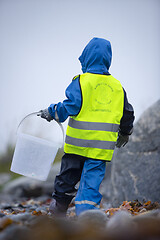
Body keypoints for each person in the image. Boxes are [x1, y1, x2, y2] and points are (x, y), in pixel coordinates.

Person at [38, 37, 135, 216]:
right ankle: (87, 215)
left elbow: (69, 106)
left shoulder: (81, 81)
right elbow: (127, 113)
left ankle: (58, 210)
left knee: (66, 179)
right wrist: (125, 132)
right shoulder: (117, 87)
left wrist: (52, 112)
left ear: (87, 57)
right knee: (91, 183)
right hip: (100, 149)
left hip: (77, 146)